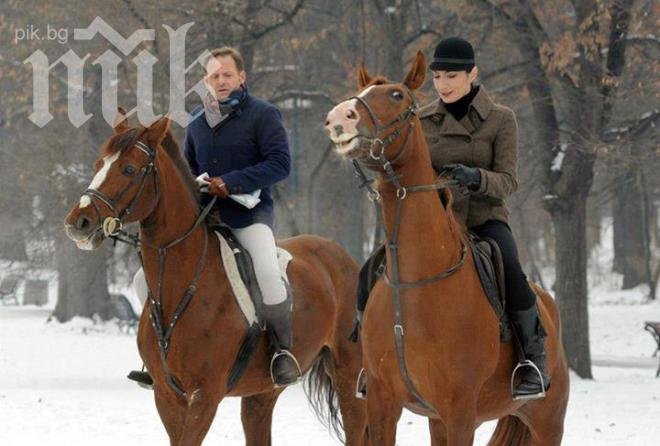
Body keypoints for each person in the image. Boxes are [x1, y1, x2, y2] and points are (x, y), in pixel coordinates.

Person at [357, 37, 550, 400]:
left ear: (472, 74)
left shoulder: (501, 119)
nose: (443, 85)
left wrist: (475, 178)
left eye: (452, 76)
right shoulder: (422, 119)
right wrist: (361, 146)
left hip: (482, 220)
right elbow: (392, 159)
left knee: (510, 268)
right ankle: (369, 360)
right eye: (438, 77)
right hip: (431, 227)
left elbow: (508, 181)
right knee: (371, 269)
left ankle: (532, 359)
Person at [128, 47, 300, 388]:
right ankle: (156, 357)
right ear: (206, 81)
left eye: (227, 75)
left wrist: (231, 181)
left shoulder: (264, 114)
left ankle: (282, 351)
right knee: (140, 280)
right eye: (214, 76)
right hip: (204, 219)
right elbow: (186, 171)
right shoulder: (196, 120)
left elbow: (281, 164)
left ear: (241, 77)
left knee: (266, 272)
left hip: (249, 216)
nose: (221, 82)